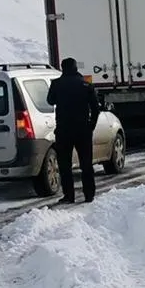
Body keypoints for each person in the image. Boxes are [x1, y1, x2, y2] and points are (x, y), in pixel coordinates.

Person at [47, 57, 100, 203]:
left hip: (64, 130)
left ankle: (69, 195)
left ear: (62, 68)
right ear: (76, 68)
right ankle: (89, 194)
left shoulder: (57, 84)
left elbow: (50, 101)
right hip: (83, 130)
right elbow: (96, 108)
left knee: (65, 165)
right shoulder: (85, 85)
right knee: (86, 164)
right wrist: (91, 125)